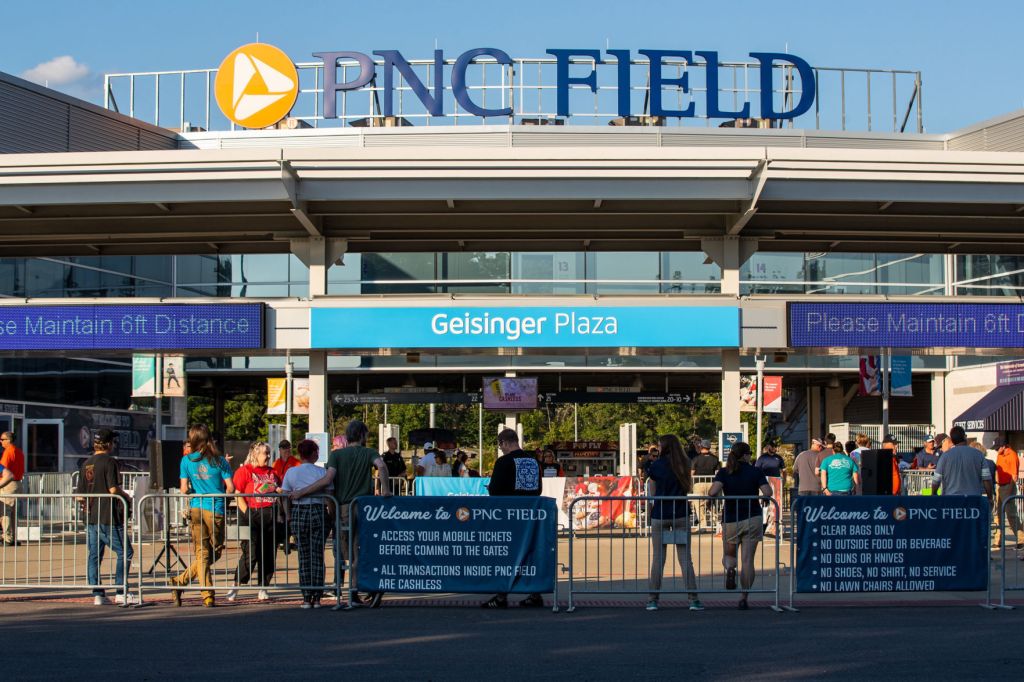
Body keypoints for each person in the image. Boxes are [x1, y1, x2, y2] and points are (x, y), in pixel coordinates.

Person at [290, 419, 391, 610]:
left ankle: (351, 592)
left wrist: (301, 493)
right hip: (366, 507)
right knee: (366, 548)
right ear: (362, 435)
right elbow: (382, 466)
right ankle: (365, 588)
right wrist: (385, 490)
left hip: (344, 507)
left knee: (347, 552)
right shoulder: (369, 453)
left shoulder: (336, 456)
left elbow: (327, 479)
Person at [171, 424, 235, 608]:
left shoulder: (186, 461)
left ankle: (180, 581)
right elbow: (230, 487)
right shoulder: (219, 460)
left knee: (203, 553)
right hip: (216, 508)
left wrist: (194, 489)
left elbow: (183, 489)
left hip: (196, 508)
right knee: (213, 551)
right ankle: (207, 594)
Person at [481, 428, 543, 609]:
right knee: (529, 556)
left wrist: (490, 489)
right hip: (530, 516)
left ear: (504, 443)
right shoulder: (532, 461)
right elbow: (537, 489)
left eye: (500, 446)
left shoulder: (503, 462)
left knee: (506, 557)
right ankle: (535, 593)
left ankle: (501, 596)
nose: (500, 449)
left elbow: (496, 491)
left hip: (509, 517)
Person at [708, 442, 772, 610]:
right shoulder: (756, 471)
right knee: (748, 560)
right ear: (745, 455)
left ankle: (730, 569)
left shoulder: (724, 472)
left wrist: (712, 499)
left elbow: (713, 491)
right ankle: (744, 597)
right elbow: (768, 492)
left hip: (731, 518)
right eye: (749, 453)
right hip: (753, 517)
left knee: (729, 555)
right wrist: (763, 496)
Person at [76, 429, 134, 605]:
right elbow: (113, 489)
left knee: (94, 554)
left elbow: (80, 495)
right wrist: (127, 497)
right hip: (108, 515)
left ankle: (97, 594)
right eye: (113, 442)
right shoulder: (110, 462)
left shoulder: (86, 463)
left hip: (91, 516)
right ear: (108, 444)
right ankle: (120, 590)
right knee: (125, 551)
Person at [645, 434, 702, 612]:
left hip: (661, 513)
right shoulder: (684, 464)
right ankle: (693, 599)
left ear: (664, 447)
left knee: (658, 559)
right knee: (685, 559)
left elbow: (652, 493)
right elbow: (688, 488)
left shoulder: (656, 466)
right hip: (680, 513)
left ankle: (653, 599)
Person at [281, 439, 333, 609]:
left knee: (303, 556)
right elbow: (328, 496)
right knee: (317, 555)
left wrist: (288, 516)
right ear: (313, 454)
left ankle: (305, 597)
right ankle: (317, 596)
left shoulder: (291, 472)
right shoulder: (321, 472)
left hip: (298, 512)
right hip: (318, 510)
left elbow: (285, 496)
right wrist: (331, 515)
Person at [228, 441, 281, 603]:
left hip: (270, 514)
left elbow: (280, 490)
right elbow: (238, 495)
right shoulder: (245, 471)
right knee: (251, 553)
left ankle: (263, 587)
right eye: (265, 453)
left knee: (268, 553)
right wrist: (248, 514)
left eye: (269, 453)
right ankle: (235, 585)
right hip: (250, 514)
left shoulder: (273, 472)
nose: (268, 456)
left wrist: (279, 491)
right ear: (255, 454)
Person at [931, 426, 993, 498]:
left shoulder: (945, 457)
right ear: (965, 437)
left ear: (952, 440)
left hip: (951, 500)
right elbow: (987, 479)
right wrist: (990, 497)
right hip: (973, 500)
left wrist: (934, 494)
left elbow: (936, 480)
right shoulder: (978, 455)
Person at [992, 436, 1024, 549]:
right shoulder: (1000, 455)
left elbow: (1014, 476)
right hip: (1000, 486)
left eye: (997, 448)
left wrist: (1009, 493)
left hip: (1008, 487)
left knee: (1011, 514)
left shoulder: (1012, 455)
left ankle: (1021, 539)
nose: (996, 450)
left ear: (1003, 446)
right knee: (998, 515)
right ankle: (998, 540)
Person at [0, 431, 26, 547]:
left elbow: (5, 471)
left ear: (8, 440)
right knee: (14, 513)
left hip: (8, 484)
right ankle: (13, 537)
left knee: (5, 512)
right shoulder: (19, 451)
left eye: (2, 439)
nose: (0, 441)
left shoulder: (8, 452)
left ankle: (7, 537)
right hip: (17, 483)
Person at [691, 440, 720, 531]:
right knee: (712, 503)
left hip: (698, 483)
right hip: (712, 483)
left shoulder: (696, 459)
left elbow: (692, 472)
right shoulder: (715, 459)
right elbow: (718, 473)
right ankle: (716, 522)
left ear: (701, 447)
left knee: (699, 504)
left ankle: (703, 524)